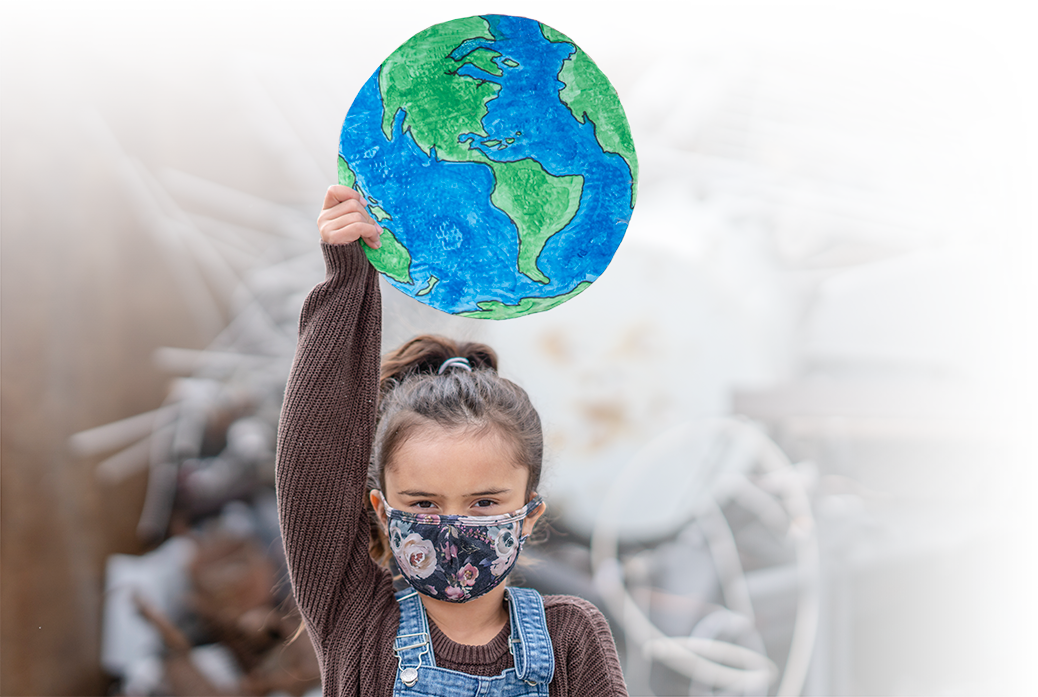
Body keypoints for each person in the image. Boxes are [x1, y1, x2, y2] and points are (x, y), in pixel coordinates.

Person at [275, 184, 629, 696]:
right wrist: (348, 281)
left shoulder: (571, 637)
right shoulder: (356, 620)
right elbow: (314, 463)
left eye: (484, 502)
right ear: (381, 509)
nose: (453, 527)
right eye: (423, 503)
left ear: (529, 514)